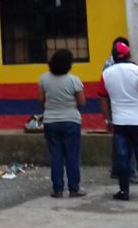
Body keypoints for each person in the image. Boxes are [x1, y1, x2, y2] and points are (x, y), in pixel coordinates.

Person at [101, 40, 138, 202]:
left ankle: (124, 191)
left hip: (119, 122)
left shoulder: (106, 74)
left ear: (113, 57)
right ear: (128, 55)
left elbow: (103, 99)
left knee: (122, 157)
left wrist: (107, 120)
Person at [38, 48, 86, 198]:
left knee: (56, 156)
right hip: (71, 120)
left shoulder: (44, 79)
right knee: (72, 155)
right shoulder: (74, 80)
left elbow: (40, 99)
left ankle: (57, 189)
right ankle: (74, 188)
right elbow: (82, 102)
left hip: (50, 120)